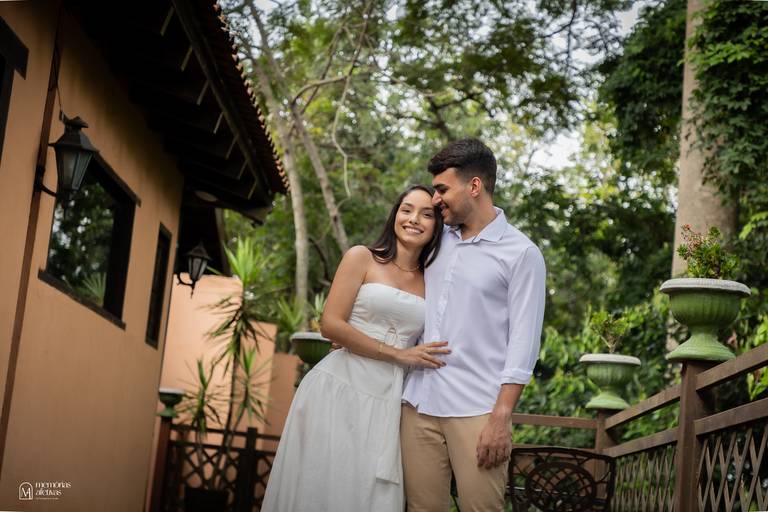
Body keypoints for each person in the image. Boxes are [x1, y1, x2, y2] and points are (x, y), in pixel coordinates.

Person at [262, 185, 450, 512]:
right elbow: (331, 324)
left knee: (368, 492)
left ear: (437, 225)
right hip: (338, 388)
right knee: (321, 483)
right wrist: (398, 354)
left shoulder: (433, 280)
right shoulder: (362, 257)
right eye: (406, 209)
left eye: (426, 214)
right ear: (395, 214)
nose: (413, 219)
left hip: (390, 398)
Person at [401, 139, 547, 512]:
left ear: (475, 186)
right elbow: (398, 282)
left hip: (478, 410)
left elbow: (524, 341)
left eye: (442, 189)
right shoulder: (436, 239)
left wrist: (501, 417)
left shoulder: (522, 254)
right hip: (417, 403)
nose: (435, 200)